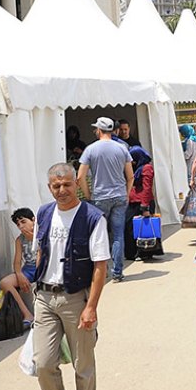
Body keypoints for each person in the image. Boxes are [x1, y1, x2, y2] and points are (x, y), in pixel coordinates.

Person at [33, 163, 110, 390]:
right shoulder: (43, 213)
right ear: (49, 187)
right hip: (45, 298)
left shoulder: (92, 217)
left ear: (76, 183)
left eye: (67, 184)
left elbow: (100, 266)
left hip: (75, 298)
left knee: (83, 365)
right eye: (56, 186)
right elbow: (39, 253)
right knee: (43, 364)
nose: (62, 190)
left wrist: (91, 307)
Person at [77, 117, 133, 282]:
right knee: (118, 234)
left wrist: (88, 195)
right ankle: (117, 272)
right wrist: (127, 193)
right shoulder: (122, 148)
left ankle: (101, 271)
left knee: (98, 235)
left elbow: (80, 176)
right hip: (120, 195)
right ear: (113, 130)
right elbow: (130, 176)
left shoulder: (90, 149)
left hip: (100, 197)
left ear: (99, 130)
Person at [0, 208, 37, 326]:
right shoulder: (19, 240)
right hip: (29, 268)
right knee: (5, 282)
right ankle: (27, 314)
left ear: (33, 220)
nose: (21, 226)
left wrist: (34, 240)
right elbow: (17, 262)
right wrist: (19, 274)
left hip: (43, 266)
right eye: (18, 224)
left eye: (23, 222)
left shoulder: (42, 233)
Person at [124, 146, 163, 260]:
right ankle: (133, 252)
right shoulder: (137, 168)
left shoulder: (146, 168)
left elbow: (147, 188)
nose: (132, 162)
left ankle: (143, 251)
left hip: (142, 203)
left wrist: (144, 207)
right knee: (131, 228)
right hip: (133, 202)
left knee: (141, 228)